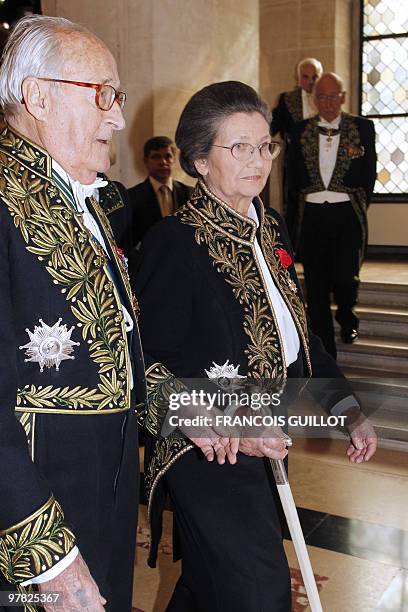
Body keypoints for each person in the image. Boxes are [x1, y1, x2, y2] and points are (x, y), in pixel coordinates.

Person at [134, 81, 377, 612]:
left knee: (209, 584)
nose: (258, 159)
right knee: (258, 592)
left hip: (269, 439)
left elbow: (298, 338)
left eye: (264, 144)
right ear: (199, 160)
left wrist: (346, 408)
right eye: (238, 146)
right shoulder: (172, 243)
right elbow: (140, 364)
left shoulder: (273, 231)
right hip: (208, 453)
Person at [0, 15, 146, 612]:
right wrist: (50, 558)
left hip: (104, 505)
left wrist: (213, 413)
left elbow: (122, 366)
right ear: (38, 96)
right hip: (36, 525)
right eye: (103, 94)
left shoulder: (86, 202)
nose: (116, 116)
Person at [287, 72, 377, 358]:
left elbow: (369, 173)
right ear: (314, 100)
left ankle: (347, 316)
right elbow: (291, 179)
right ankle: (325, 349)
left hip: (346, 214)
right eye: (322, 96)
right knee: (315, 287)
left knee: (344, 278)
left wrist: (361, 203)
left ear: (343, 97)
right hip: (311, 215)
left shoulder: (362, 127)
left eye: (333, 95)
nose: (327, 102)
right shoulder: (299, 130)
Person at [271, 58, 323, 246]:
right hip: (295, 164)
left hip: (325, 164)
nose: (311, 81)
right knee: (293, 206)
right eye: (306, 77)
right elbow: (272, 125)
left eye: (315, 77)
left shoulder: (327, 98)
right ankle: (295, 249)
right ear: (298, 78)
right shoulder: (287, 99)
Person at [127, 136, 192, 247]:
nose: (163, 162)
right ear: (146, 161)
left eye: (168, 156)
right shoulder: (131, 197)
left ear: (174, 160)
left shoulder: (190, 194)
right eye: (156, 157)